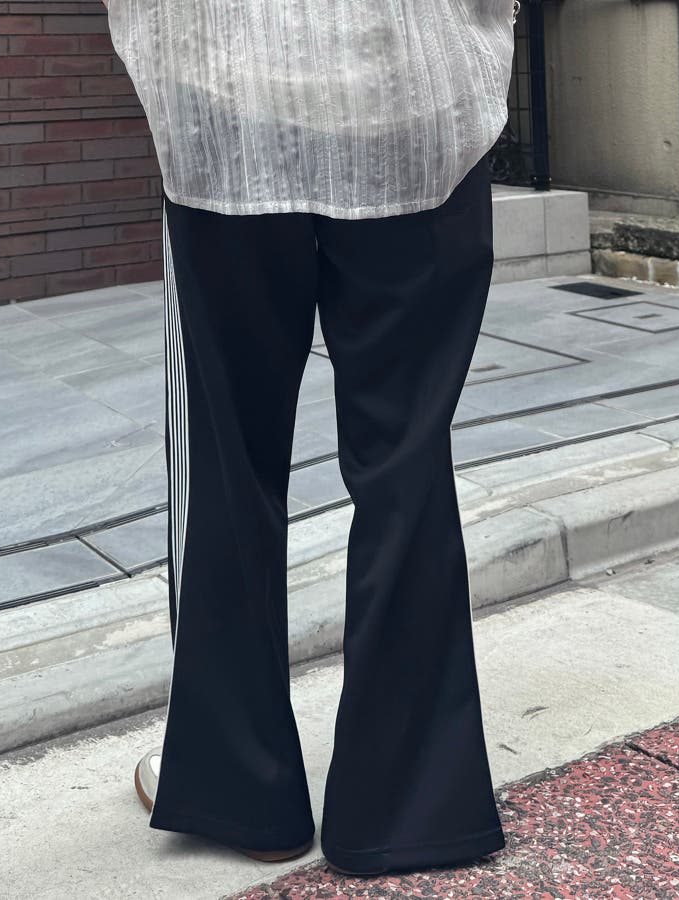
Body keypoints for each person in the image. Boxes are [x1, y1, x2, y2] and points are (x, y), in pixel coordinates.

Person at [104, 0, 518, 877]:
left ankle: (242, 791)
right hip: (416, 93)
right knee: (406, 463)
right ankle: (410, 806)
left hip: (223, 94)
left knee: (230, 460)